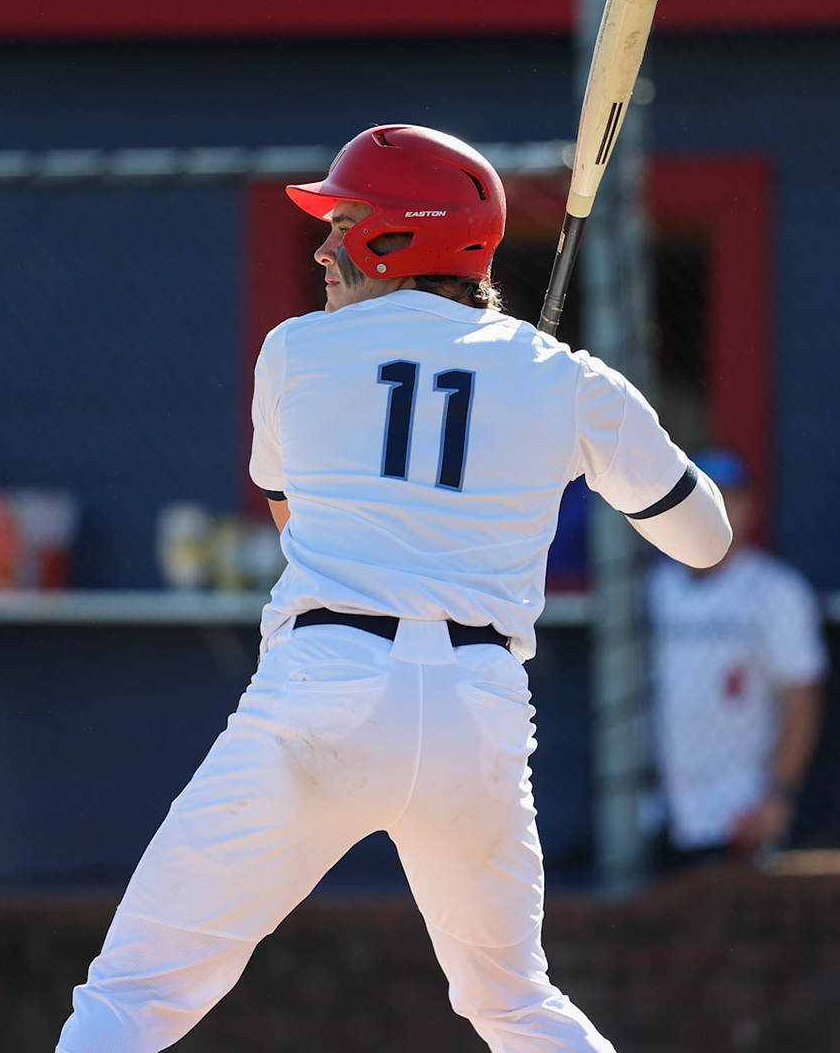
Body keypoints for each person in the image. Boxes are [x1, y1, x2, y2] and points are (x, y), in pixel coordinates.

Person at [57, 124, 733, 1053]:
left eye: (346, 222)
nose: (325, 247)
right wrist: (567, 420)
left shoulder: (293, 352)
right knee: (513, 1003)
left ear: (400, 237)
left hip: (324, 688)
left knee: (133, 992)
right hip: (476, 710)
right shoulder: (564, 378)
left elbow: (297, 519)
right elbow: (703, 540)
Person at [643, 448, 824, 866]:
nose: (718, 513)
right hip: (659, 812)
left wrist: (779, 798)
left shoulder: (775, 591)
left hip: (740, 810)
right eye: (706, 500)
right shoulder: (653, 588)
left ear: (750, 508)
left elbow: (802, 698)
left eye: (730, 500)